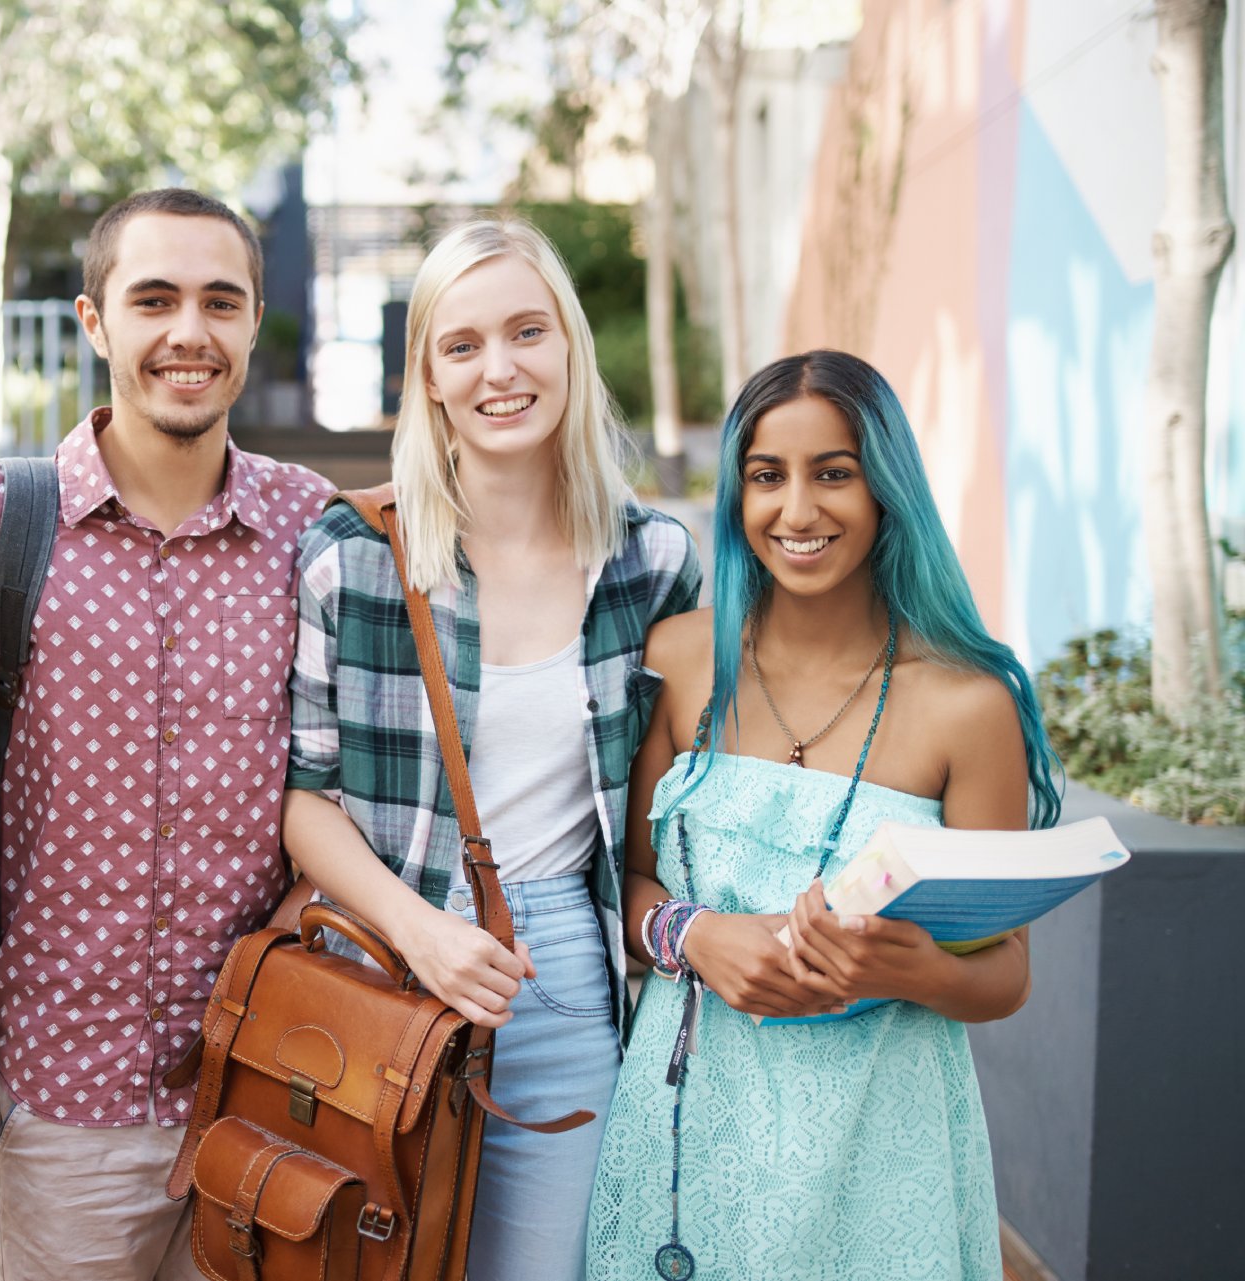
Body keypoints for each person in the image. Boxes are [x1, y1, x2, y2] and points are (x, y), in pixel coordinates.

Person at [0, 188, 334, 1280]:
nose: (187, 333)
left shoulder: (314, 529)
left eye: (219, 301)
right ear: (96, 321)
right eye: (153, 300)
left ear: (253, 324)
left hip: (272, 1090)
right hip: (67, 1090)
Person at [281, 217, 702, 1280]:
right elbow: (304, 798)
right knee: (368, 1262)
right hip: (384, 958)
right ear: (426, 376)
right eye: (462, 345)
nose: (500, 369)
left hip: (561, 958)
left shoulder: (653, 563)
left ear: (570, 345)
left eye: (528, 331)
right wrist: (420, 931)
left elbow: (684, 786)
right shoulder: (354, 557)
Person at [585, 350, 1065, 1280]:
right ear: (737, 496)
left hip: (882, 1146)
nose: (797, 511)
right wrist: (695, 935)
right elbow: (627, 878)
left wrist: (917, 967)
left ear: (886, 490)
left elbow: (1007, 974)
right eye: (767, 476)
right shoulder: (682, 659)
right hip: (687, 1132)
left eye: (833, 473)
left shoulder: (969, 704)